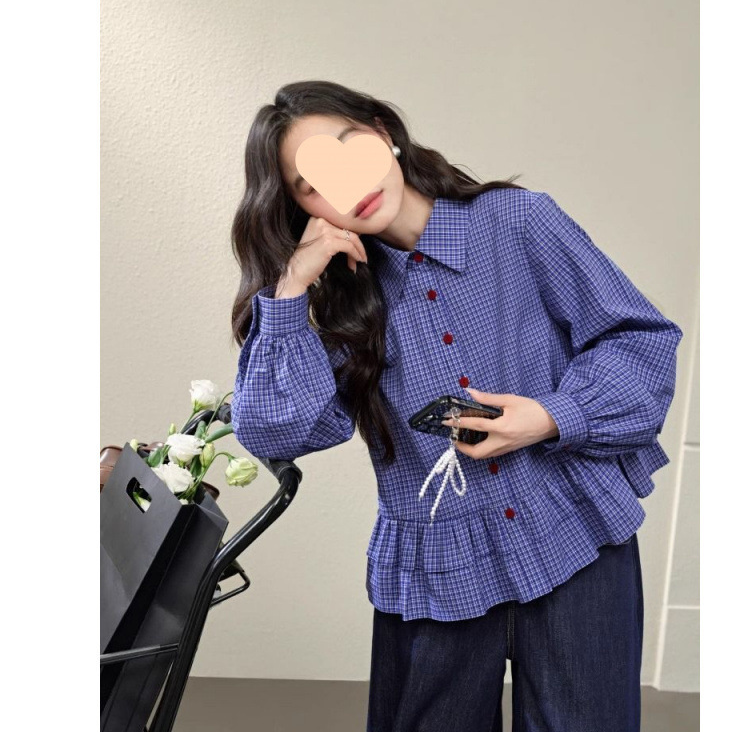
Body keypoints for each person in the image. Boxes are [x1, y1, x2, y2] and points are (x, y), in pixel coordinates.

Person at [229, 80, 684, 732]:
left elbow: (639, 339)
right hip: (438, 566)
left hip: (572, 529)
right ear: (300, 207)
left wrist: (551, 416)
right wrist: (290, 290)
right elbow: (275, 432)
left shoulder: (518, 222)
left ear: (383, 131)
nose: (344, 184)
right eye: (311, 183)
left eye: (347, 148)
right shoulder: (335, 298)